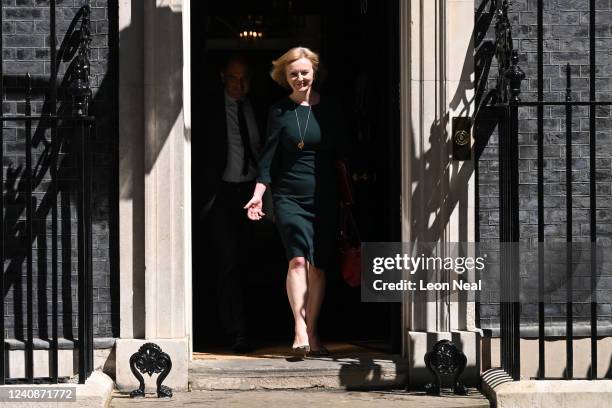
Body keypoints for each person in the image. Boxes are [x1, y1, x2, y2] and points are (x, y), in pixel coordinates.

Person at [244, 47, 347, 356]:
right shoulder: (278, 112)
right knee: (298, 260)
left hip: (324, 196)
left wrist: (345, 195)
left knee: (317, 266)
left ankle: (313, 332)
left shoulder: (330, 109)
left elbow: (341, 155)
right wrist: (258, 195)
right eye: (293, 74)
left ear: (314, 72)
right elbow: (268, 158)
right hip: (288, 196)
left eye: (304, 72)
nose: (300, 78)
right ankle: (299, 328)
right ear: (285, 78)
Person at [199, 55, 263, 353]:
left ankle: (258, 326)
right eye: (233, 78)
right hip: (222, 196)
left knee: (253, 261)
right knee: (227, 264)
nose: (239, 85)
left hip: (254, 193)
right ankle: (236, 331)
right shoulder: (207, 110)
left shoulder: (258, 107)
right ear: (222, 77)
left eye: (244, 78)